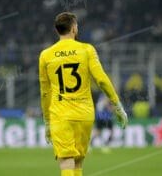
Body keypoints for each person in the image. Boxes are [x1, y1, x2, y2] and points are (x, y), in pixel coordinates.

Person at [39, 12, 128, 176]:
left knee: (66, 161)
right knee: (78, 161)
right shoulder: (87, 50)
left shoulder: (46, 55)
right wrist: (118, 106)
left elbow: (45, 92)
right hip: (84, 114)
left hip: (60, 114)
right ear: (73, 28)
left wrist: (47, 122)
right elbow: (101, 80)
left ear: (57, 30)